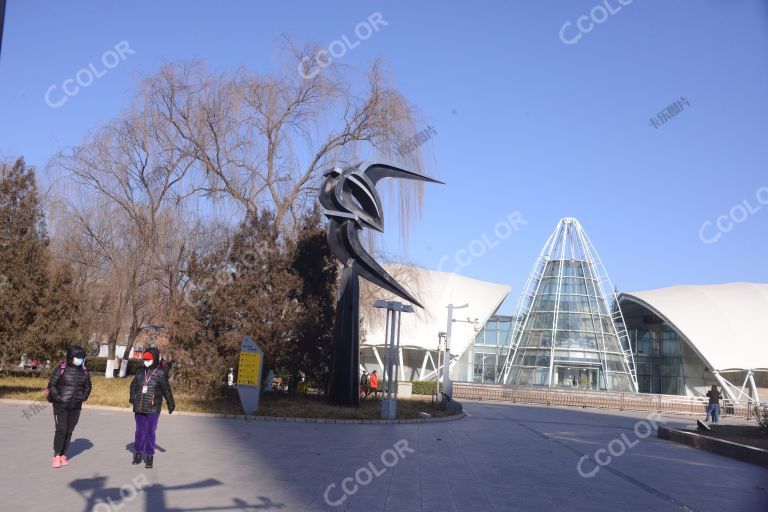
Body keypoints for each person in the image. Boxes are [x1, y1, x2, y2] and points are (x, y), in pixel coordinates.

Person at [46, 345, 92, 468]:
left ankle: (63, 455)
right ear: (71, 357)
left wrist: (83, 397)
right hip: (60, 406)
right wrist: (59, 399)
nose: (80, 359)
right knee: (61, 430)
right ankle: (56, 456)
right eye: (78, 357)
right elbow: (52, 385)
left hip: (76, 406)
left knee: (69, 431)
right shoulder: (60, 368)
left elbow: (88, 387)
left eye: (82, 357)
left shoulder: (85, 371)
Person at [129, 348, 175, 468]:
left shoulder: (160, 372)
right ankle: (138, 453)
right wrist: (133, 398)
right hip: (139, 407)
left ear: (154, 359)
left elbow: (166, 389)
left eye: (149, 359)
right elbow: (133, 386)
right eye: (145, 359)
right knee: (139, 431)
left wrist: (171, 403)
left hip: (153, 408)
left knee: (150, 432)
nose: (146, 361)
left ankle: (149, 456)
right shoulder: (140, 371)